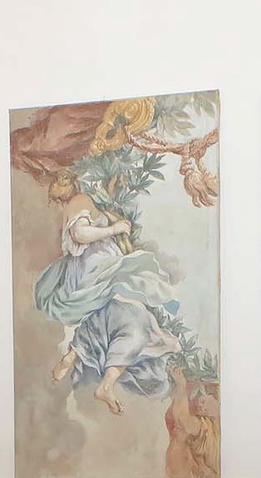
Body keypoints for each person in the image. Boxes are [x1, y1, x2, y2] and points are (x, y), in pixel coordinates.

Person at [33, 172, 181, 415]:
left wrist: (110, 196)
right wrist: (114, 229)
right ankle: (100, 378)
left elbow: (91, 218)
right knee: (140, 288)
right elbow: (80, 234)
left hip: (92, 271)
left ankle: (73, 357)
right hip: (97, 269)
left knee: (115, 315)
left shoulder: (80, 202)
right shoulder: (79, 200)